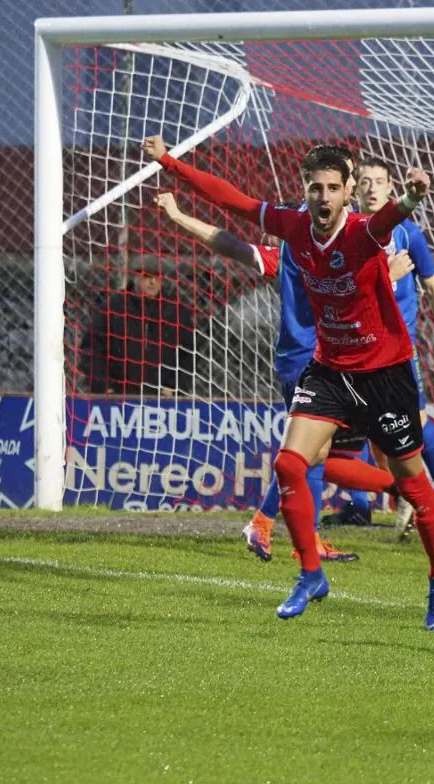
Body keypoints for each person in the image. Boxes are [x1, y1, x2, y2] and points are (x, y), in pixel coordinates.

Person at [145, 134, 434, 630]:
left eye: (333, 188)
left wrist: (413, 198)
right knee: (291, 463)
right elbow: (233, 200)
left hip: (383, 372)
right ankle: (310, 573)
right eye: (316, 188)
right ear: (306, 189)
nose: (323, 197)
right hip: (329, 367)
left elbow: (388, 218)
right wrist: (170, 162)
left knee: (413, 485)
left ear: (346, 193)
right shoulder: (293, 227)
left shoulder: (361, 232)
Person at [156, 185, 357, 565]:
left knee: (317, 452)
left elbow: (229, 244)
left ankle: (306, 540)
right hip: (309, 360)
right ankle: (262, 523)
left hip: (302, 359)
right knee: (305, 451)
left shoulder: (288, 254)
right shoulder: (305, 255)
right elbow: (231, 244)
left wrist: (179, 216)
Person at [328, 157, 434, 533]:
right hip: (352, 345)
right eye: (365, 180)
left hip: (397, 348)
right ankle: (362, 505)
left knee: (412, 423)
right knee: (350, 430)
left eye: (379, 181)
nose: (372, 187)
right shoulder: (346, 231)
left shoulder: (408, 234)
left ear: (391, 188)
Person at [80, 267, 195, 396]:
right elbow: (91, 348)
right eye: (147, 276)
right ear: (135, 277)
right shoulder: (113, 307)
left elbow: (188, 353)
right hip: (118, 396)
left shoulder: (176, 312)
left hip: (162, 397)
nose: (152, 282)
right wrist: (103, 386)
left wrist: (174, 386)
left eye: (157, 277)